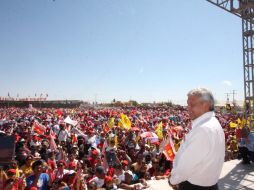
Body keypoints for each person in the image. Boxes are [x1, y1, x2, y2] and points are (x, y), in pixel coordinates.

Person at [168, 88, 225, 190]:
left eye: (192, 104)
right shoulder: (213, 123)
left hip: (194, 187)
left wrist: (173, 180)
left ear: (206, 105)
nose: (188, 108)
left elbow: (186, 166)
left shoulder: (203, 129)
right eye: (187, 104)